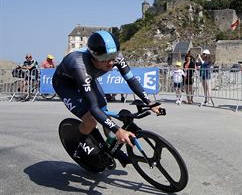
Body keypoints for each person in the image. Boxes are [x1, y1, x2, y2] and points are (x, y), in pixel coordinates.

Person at [52, 30, 164, 167]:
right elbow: (93, 107)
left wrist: (150, 103)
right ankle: (80, 144)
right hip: (66, 86)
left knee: (104, 112)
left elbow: (131, 80)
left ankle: (112, 150)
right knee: (91, 121)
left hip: (88, 80)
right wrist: (118, 130)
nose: (111, 63)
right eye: (105, 60)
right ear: (93, 57)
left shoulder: (114, 56)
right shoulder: (79, 65)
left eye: (113, 57)